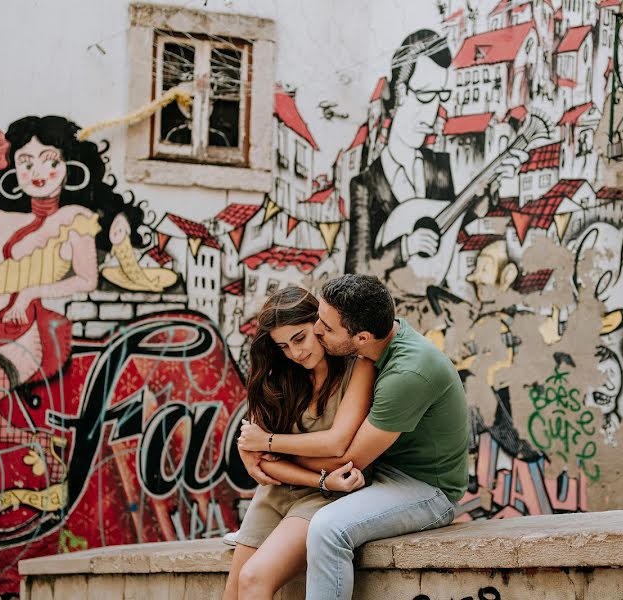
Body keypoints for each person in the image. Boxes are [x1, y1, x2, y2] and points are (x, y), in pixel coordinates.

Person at [0, 115, 150, 473]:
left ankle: (29, 442)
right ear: (12, 170)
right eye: (26, 162)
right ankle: (30, 442)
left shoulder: (73, 219)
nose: (39, 172)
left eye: (50, 160)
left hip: (24, 341)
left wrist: (30, 291)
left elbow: (85, 280)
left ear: (69, 166)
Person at [242, 274, 468, 599]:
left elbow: (343, 459)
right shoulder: (380, 333)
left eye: (326, 328)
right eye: (319, 318)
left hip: (425, 489)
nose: (318, 331)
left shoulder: (407, 373)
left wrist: (266, 447)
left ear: (361, 338)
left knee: (328, 528)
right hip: (380, 475)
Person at [224, 286, 376, 600]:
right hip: (280, 491)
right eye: (283, 346)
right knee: (233, 592)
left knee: (254, 579)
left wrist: (267, 441)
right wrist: (321, 478)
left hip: (327, 499)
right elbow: (265, 464)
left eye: (300, 338)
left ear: (319, 325)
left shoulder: (358, 368)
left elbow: (337, 447)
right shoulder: (281, 377)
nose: (296, 353)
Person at [346, 30, 455, 277]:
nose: (432, 114)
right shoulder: (365, 184)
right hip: (385, 313)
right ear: (401, 92)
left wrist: (491, 187)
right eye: (426, 96)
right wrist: (405, 247)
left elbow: (456, 223)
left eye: (442, 96)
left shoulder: (440, 168)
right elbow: (357, 271)